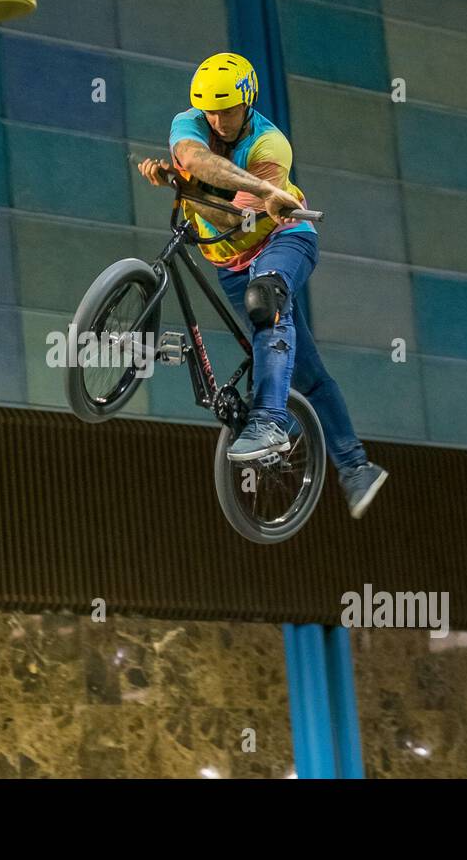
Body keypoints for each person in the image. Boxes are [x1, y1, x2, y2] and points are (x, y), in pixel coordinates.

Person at [137, 52, 387, 519]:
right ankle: (357, 466)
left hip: (282, 242)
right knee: (305, 373)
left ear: (247, 102)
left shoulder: (270, 147)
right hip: (229, 262)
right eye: (209, 110)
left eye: (227, 109)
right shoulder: (187, 124)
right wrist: (181, 177)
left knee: (265, 300)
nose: (217, 119)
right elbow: (197, 161)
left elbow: (229, 217)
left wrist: (192, 187)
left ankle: (271, 420)